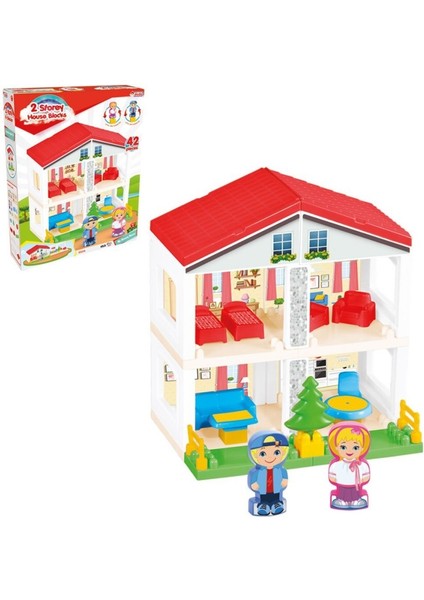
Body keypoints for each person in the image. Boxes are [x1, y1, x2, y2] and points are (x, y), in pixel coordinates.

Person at [328, 421, 371, 509]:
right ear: (336, 447)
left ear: (362, 448)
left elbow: (365, 478)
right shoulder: (336, 465)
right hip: (341, 486)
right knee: (342, 493)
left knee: (355, 493)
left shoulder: (361, 465)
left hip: (356, 487)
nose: (349, 451)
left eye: (355, 447)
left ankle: (356, 500)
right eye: (343, 447)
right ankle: (341, 500)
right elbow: (332, 478)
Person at [247, 431, 289, 516]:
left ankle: (276, 505)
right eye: (263, 454)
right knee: (263, 499)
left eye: (276, 452)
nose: (270, 457)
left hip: (276, 489)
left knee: (276, 498)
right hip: (262, 491)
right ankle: (263, 506)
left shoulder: (280, 469)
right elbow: (253, 477)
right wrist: (253, 484)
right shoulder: (258, 471)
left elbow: (284, 475)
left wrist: (284, 480)